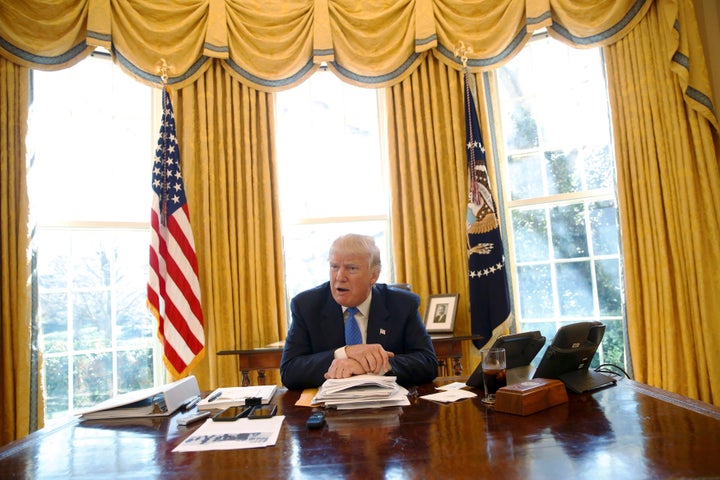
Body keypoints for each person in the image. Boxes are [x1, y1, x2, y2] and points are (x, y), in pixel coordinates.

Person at [280, 234, 438, 390]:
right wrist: (344, 353)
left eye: (351, 268)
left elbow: (427, 363)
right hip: (327, 409)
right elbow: (289, 371)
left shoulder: (402, 305)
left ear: (373, 275)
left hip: (388, 408)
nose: (340, 277)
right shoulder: (307, 306)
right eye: (334, 267)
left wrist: (368, 365)